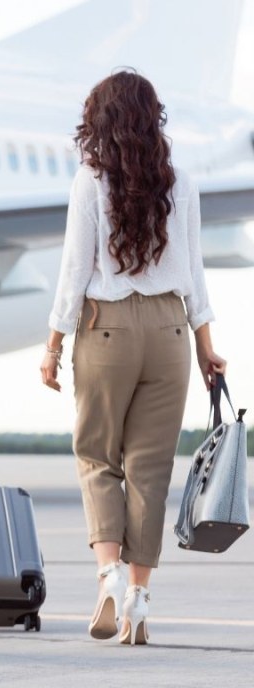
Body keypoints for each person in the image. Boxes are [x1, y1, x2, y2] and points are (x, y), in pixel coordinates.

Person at [41, 70, 226, 645]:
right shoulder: (183, 182)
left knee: (98, 455)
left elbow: (75, 271)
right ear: (153, 118)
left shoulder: (90, 180)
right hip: (171, 330)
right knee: (150, 470)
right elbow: (194, 272)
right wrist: (206, 347)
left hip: (108, 329)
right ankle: (140, 601)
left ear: (100, 119)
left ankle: (109, 575)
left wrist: (53, 344)